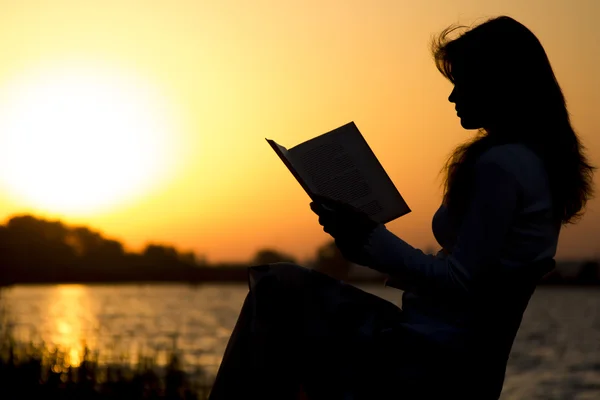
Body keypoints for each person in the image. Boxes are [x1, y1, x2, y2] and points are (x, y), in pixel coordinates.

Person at [209, 15, 594, 399]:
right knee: (283, 293)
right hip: (450, 355)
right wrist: (364, 243)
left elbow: (462, 280)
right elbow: (482, 279)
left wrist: (372, 239)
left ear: (498, 82)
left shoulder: (502, 165)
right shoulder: (533, 163)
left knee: (278, 287)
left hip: (428, 363)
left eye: (461, 83)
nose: (453, 97)